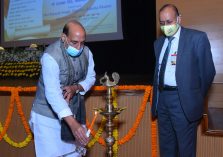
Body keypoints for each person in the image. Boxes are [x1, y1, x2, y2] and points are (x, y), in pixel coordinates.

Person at [151, 4, 215, 157]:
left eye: (169, 21)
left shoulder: (197, 38)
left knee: (185, 150)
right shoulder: (158, 43)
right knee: (166, 148)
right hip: (162, 101)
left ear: (179, 19)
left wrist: (193, 96)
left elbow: (208, 72)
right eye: (162, 23)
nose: (166, 26)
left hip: (183, 101)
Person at [29, 20, 96, 157]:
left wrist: (76, 87)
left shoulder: (87, 53)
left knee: (75, 154)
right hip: (47, 117)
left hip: (74, 113)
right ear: (63, 37)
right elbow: (53, 94)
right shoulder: (50, 56)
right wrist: (73, 124)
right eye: (74, 42)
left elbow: (91, 77)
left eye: (82, 42)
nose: (78, 47)